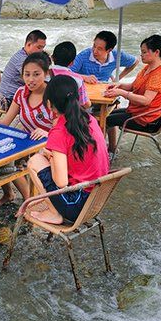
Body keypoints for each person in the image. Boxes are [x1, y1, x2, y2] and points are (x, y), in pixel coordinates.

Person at [26, 75, 110, 225]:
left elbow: (61, 182)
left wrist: (51, 157)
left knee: (35, 160)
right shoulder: (89, 119)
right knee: (45, 158)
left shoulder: (59, 131)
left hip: (77, 206)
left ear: (50, 103)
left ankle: (54, 213)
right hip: (97, 198)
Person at [0, 52, 53, 206]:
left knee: (9, 164)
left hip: (51, 144)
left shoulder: (51, 95)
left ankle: (30, 201)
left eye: (36, 74)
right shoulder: (21, 93)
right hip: (28, 143)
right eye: (27, 74)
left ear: (46, 73)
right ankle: (10, 194)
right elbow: (5, 123)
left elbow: (65, 127)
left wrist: (48, 133)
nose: (31, 79)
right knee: (0, 156)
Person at [103, 35, 161, 153]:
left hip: (146, 119)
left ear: (156, 52)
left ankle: (101, 154)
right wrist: (119, 85)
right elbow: (133, 86)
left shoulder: (159, 74)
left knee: (106, 120)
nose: (141, 55)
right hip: (138, 111)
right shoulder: (148, 68)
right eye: (141, 52)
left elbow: (146, 100)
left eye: (144, 52)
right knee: (106, 114)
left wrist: (122, 93)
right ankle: (111, 149)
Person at [0, 30, 47, 109]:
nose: (41, 51)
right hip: (8, 100)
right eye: (39, 47)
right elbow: (41, 80)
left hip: (14, 96)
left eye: (43, 48)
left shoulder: (25, 56)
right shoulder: (22, 60)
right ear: (28, 45)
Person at [70, 30, 140, 84]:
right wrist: (84, 77)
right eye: (94, 46)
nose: (94, 51)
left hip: (104, 90)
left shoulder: (117, 56)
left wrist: (117, 79)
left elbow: (135, 62)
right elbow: (66, 73)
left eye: (99, 49)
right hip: (85, 93)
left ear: (109, 50)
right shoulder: (83, 56)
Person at [49, 42, 91, 109]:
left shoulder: (43, 74)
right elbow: (85, 104)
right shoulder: (77, 79)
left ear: (52, 57)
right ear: (72, 62)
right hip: (68, 115)